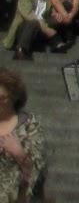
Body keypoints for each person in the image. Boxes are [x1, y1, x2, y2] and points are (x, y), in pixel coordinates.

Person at [0, 68, 45, 203]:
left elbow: (37, 169)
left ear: (13, 97)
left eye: (1, 98)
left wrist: (18, 152)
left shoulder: (30, 126)